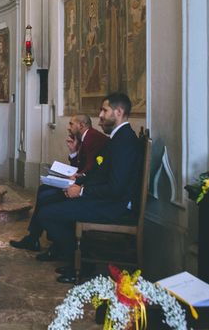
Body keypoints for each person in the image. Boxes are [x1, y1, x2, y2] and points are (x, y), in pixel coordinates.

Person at [33, 93, 142, 284]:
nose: (99, 115)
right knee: (50, 200)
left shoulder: (124, 142)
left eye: (104, 110)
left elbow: (116, 188)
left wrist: (81, 191)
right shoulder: (117, 138)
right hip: (105, 199)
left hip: (114, 206)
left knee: (47, 214)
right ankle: (69, 254)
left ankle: (80, 262)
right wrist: (80, 182)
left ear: (118, 112)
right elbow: (100, 172)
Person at [9, 114, 108, 251]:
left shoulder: (92, 137)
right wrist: (73, 152)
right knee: (44, 189)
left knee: (47, 196)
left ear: (81, 125)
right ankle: (35, 238)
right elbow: (81, 165)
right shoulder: (84, 137)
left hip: (88, 187)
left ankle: (53, 244)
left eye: (71, 124)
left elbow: (90, 167)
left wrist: (77, 178)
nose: (68, 128)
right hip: (83, 182)